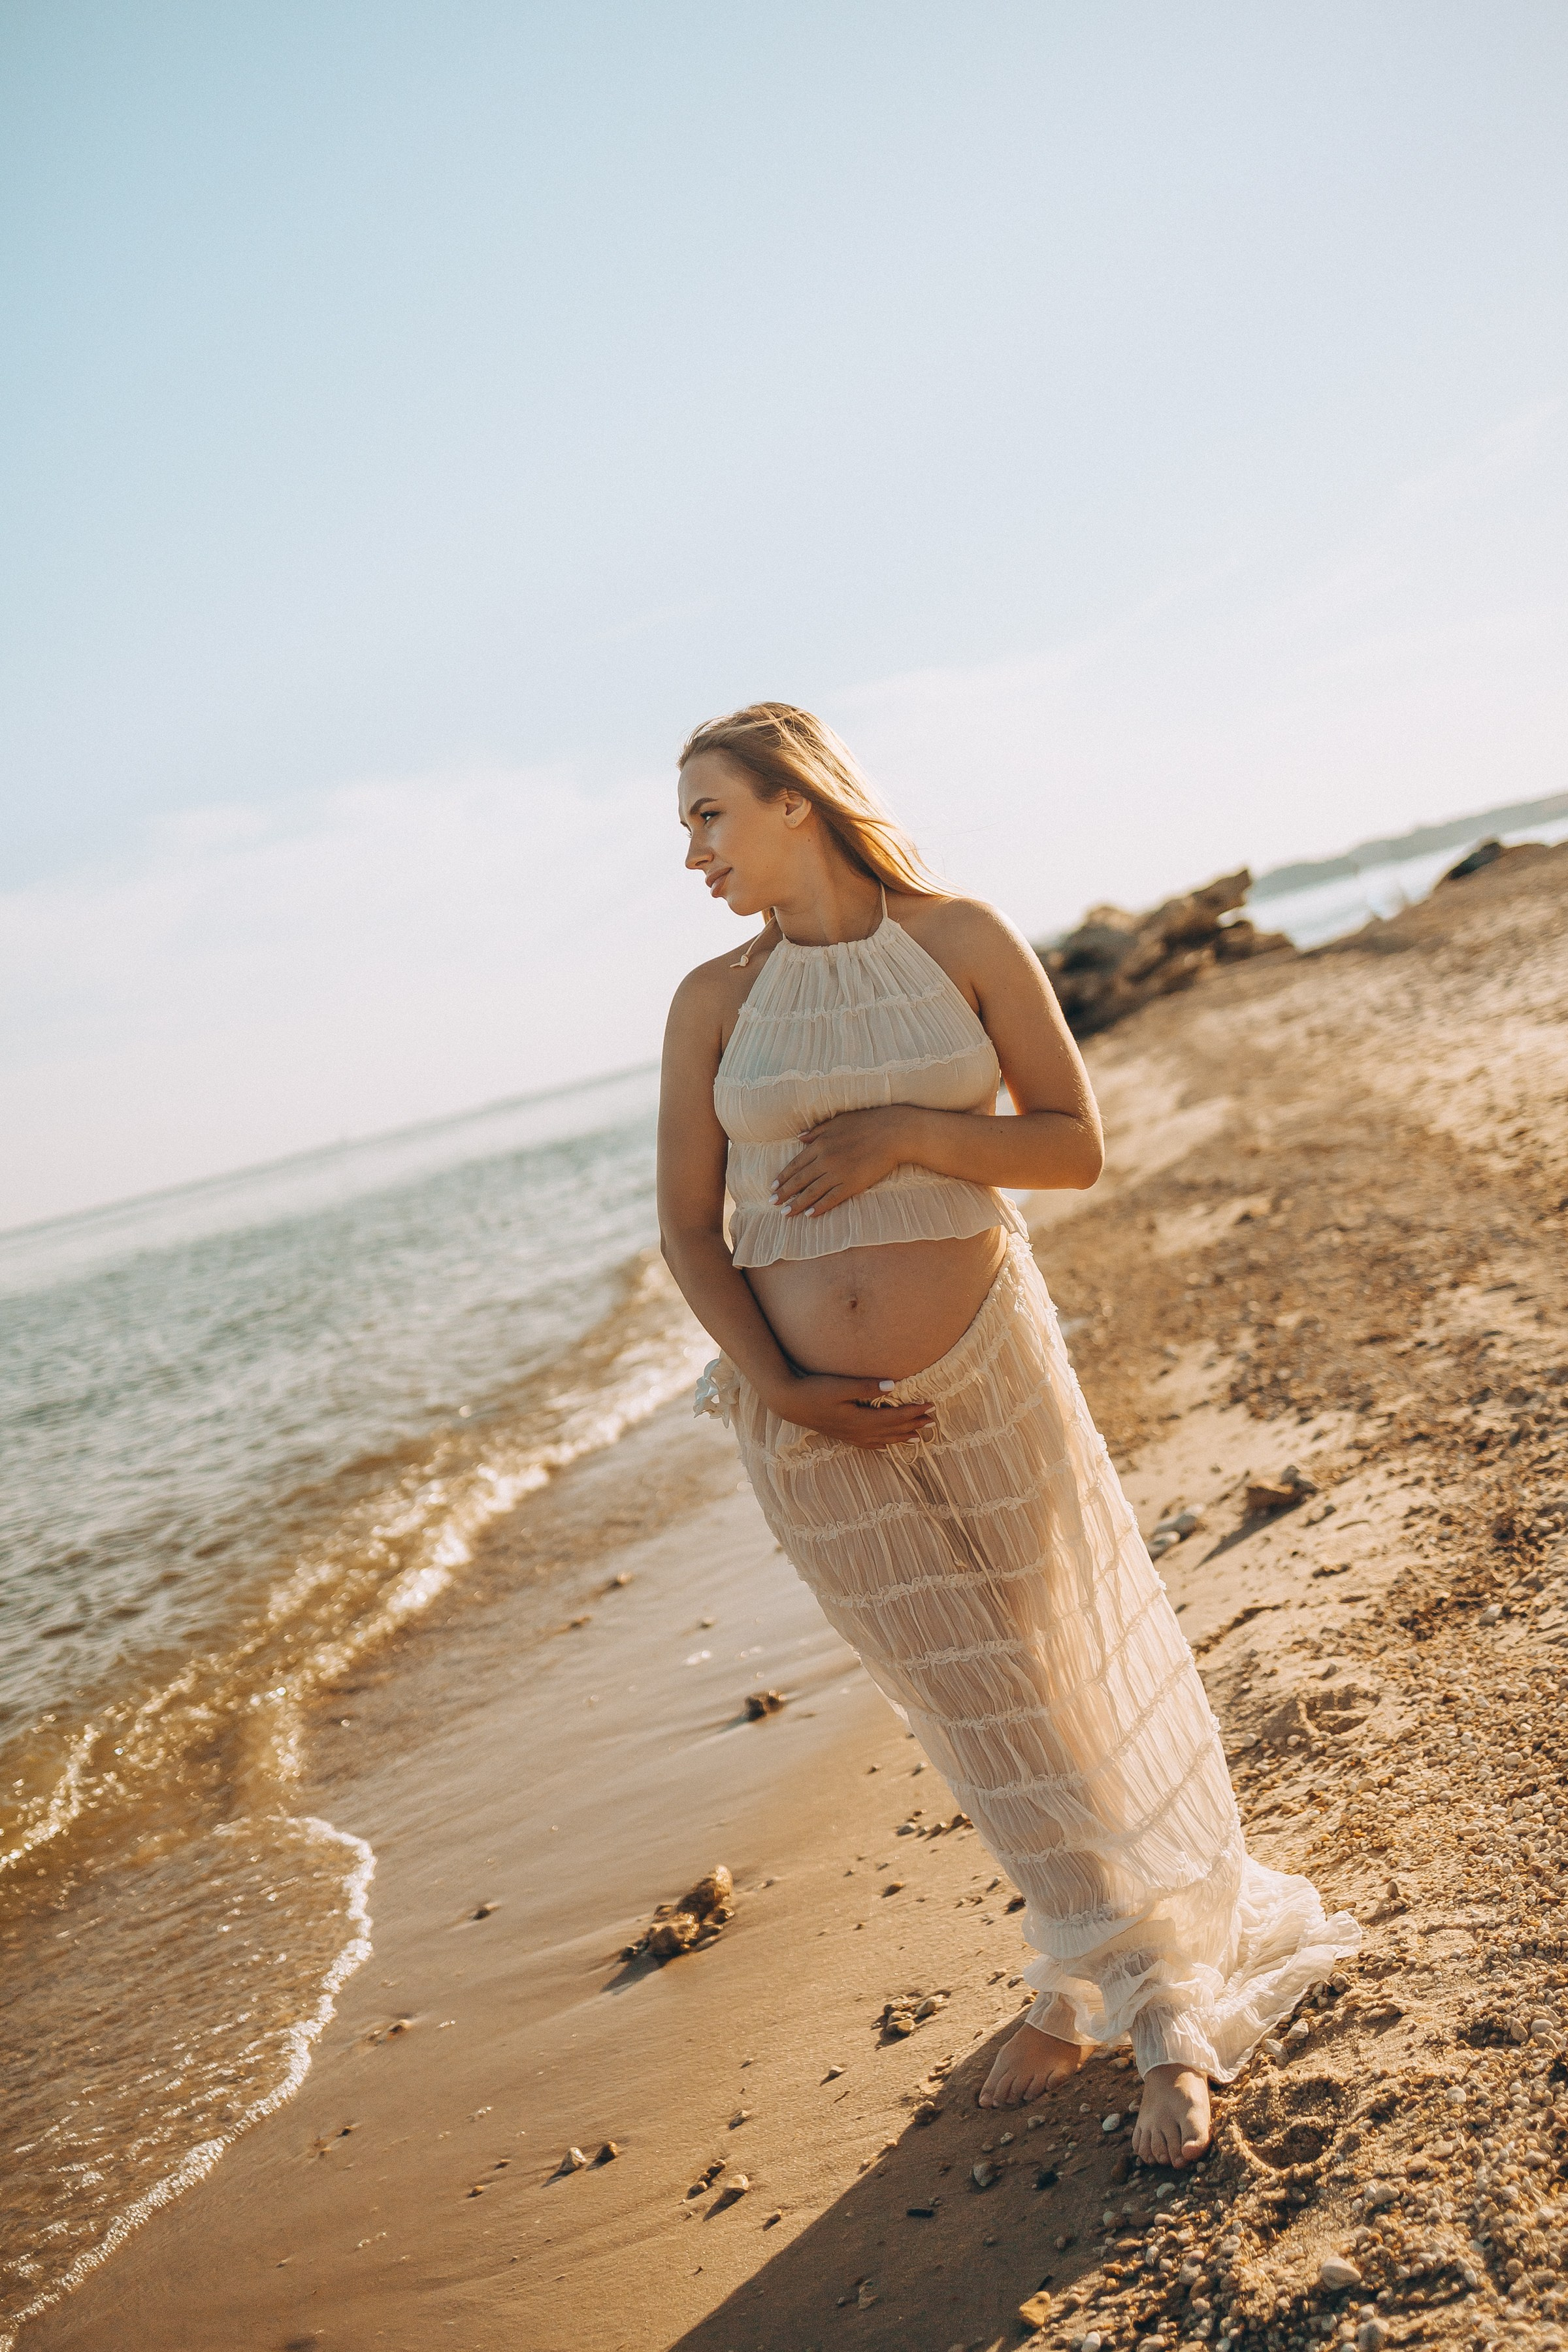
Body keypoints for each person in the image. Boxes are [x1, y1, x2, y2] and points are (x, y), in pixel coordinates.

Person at [656, 702, 1358, 2169]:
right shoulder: (711, 1000)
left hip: (986, 1365)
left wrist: (908, 1131)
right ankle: (1089, 1968)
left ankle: (1155, 1998)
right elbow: (685, 1230)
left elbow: (1071, 1144)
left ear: (797, 801)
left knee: (1064, 1659)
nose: (693, 852)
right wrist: (778, 1388)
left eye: (711, 814)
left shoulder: (962, 940)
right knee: (971, 1700)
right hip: (809, 1422)